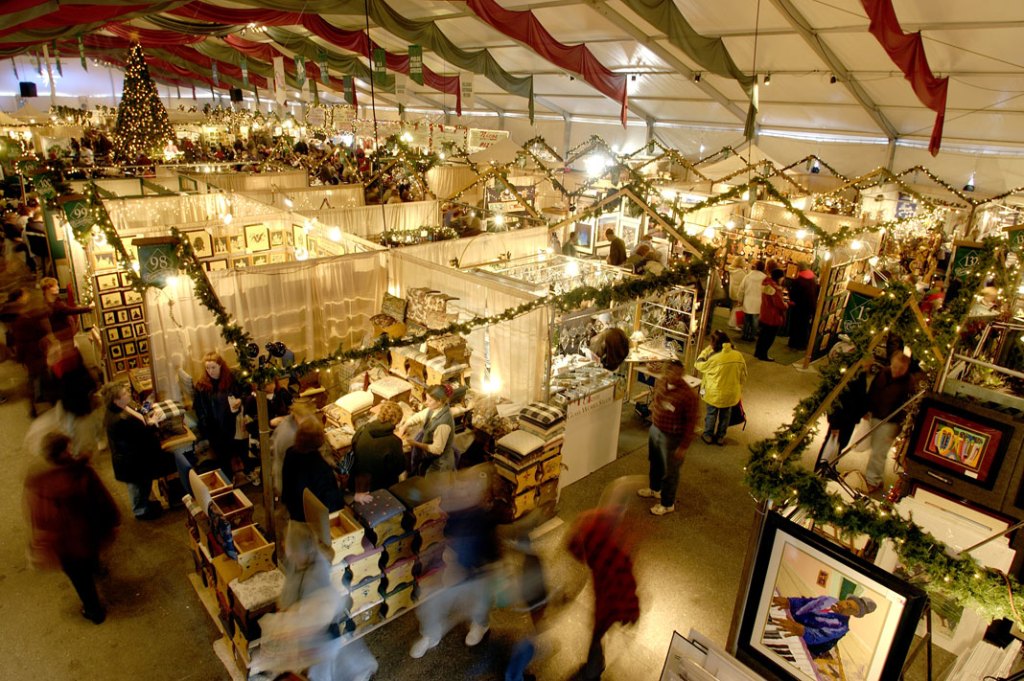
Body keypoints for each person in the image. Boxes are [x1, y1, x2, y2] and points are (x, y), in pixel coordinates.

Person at [24, 432, 121, 624]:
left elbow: (40, 517)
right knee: (91, 556)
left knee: (80, 580)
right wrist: (113, 518)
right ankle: (96, 567)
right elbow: (102, 499)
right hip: (88, 532)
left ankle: (94, 611)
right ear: (64, 451)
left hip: (65, 545)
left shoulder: (41, 484)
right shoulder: (82, 473)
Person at [410, 465, 500, 659]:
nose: (463, 492)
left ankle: (481, 625)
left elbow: (492, 554)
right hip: (454, 564)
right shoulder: (457, 510)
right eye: (462, 487)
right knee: (432, 602)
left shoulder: (485, 518)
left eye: (469, 489)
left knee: (479, 603)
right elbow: (423, 494)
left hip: (478, 572)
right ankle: (430, 635)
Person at [568, 480, 640, 680]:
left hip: (603, 596)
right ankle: (594, 668)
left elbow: (573, 547)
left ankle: (594, 669)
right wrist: (632, 612)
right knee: (598, 632)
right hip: (609, 601)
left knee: (597, 634)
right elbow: (625, 583)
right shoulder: (622, 538)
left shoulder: (589, 522)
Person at [636, 359, 699, 516]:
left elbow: (691, 422)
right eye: (669, 371)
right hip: (656, 429)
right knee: (655, 462)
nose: (672, 375)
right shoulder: (662, 382)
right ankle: (654, 489)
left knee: (670, 471)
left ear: (681, 373)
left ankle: (667, 503)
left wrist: (683, 446)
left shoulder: (688, 395)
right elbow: (657, 400)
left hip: (673, 437)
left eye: (676, 373)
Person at [103, 382, 165, 521]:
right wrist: (153, 422)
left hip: (133, 458)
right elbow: (140, 437)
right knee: (137, 487)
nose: (128, 394)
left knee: (142, 484)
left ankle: (144, 503)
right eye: (124, 394)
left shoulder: (119, 409)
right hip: (132, 461)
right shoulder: (120, 420)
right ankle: (141, 511)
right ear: (116, 400)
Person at [863, 351, 921, 494]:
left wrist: (897, 430)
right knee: (876, 450)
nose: (896, 371)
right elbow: (873, 391)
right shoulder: (883, 373)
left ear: (906, 368)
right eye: (894, 367)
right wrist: (867, 409)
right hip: (876, 416)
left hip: (890, 423)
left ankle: (872, 481)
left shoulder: (909, 383)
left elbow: (905, 409)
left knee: (878, 453)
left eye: (900, 369)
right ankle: (876, 478)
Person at [771, 594, 876, 658]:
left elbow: (815, 637)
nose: (844, 607)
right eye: (848, 603)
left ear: (854, 615)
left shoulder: (842, 627)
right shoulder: (829, 600)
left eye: (852, 610)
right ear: (846, 599)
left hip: (803, 643)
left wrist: (802, 631)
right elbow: (806, 602)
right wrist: (789, 602)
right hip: (792, 621)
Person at [192, 352, 243, 480]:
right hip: (213, 427)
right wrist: (206, 430)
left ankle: (237, 472)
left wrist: (239, 401)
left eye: (213, 367)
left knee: (234, 447)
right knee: (223, 455)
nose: (210, 371)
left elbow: (241, 393)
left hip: (231, 420)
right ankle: (227, 479)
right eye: (207, 368)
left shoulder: (230, 378)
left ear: (220, 366)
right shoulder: (201, 386)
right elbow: (200, 411)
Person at [281, 419, 343, 522]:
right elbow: (330, 502)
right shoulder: (320, 468)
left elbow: (287, 482)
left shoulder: (291, 452)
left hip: (295, 510)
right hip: (313, 520)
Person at [693, 330, 747, 446]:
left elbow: (698, 364)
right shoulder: (738, 355)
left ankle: (708, 435)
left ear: (714, 343)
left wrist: (706, 350)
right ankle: (720, 437)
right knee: (725, 416)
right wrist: (739, 388)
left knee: (711, 414)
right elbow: (744, 375)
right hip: (731, 394)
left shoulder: (714, 358)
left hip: (714, 394)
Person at [349, 400, 406, 500]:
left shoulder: (362, 429)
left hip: (359, 483)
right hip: (380, 489)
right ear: (397, 421)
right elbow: (398, 468)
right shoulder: (394, 442)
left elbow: (353, 447)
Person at [401, 384, 457, 474]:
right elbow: (419, 416)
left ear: (439, 401)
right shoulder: (434, 408)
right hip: (429, 455)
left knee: (430, 484)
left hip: (439, 462)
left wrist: (415, 443)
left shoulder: (443, 424)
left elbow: (437, 449)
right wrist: (406, 425)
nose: (426, 403)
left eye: (430, 400)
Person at [754, 268, 788, 362]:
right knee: (769, 337)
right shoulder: (774, 289)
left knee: (763, 335)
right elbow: (779, 303)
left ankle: (758, 352)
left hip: (765, 313)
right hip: (773, 316)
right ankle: (763, 354)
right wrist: (786, 305)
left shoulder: (766, 284)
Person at [787, 264, 819, 350]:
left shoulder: (798, 281)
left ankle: (793, 343)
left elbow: (793, 293)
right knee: (804, 325)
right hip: (808, 306)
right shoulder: (813, 279)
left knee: (796, 324)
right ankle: (802, 344)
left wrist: (792, 299)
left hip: (798, 306)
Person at [739, 261, 767, 342]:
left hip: (748, 299)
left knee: (746, 319)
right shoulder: (765, 278)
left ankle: (745, 334)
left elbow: (741, 288)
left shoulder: (748, 276)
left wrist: (740, 299)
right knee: (755, 319)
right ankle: (752, 335)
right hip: (759, 301)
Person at [727, 256, 748, 331]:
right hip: (738, 292)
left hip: (732, 291)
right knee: (737, 308)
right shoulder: (741, 272)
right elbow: (745, 282)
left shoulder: (733, 270)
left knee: (734, 307)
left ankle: (733, 323)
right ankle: (734, 323)